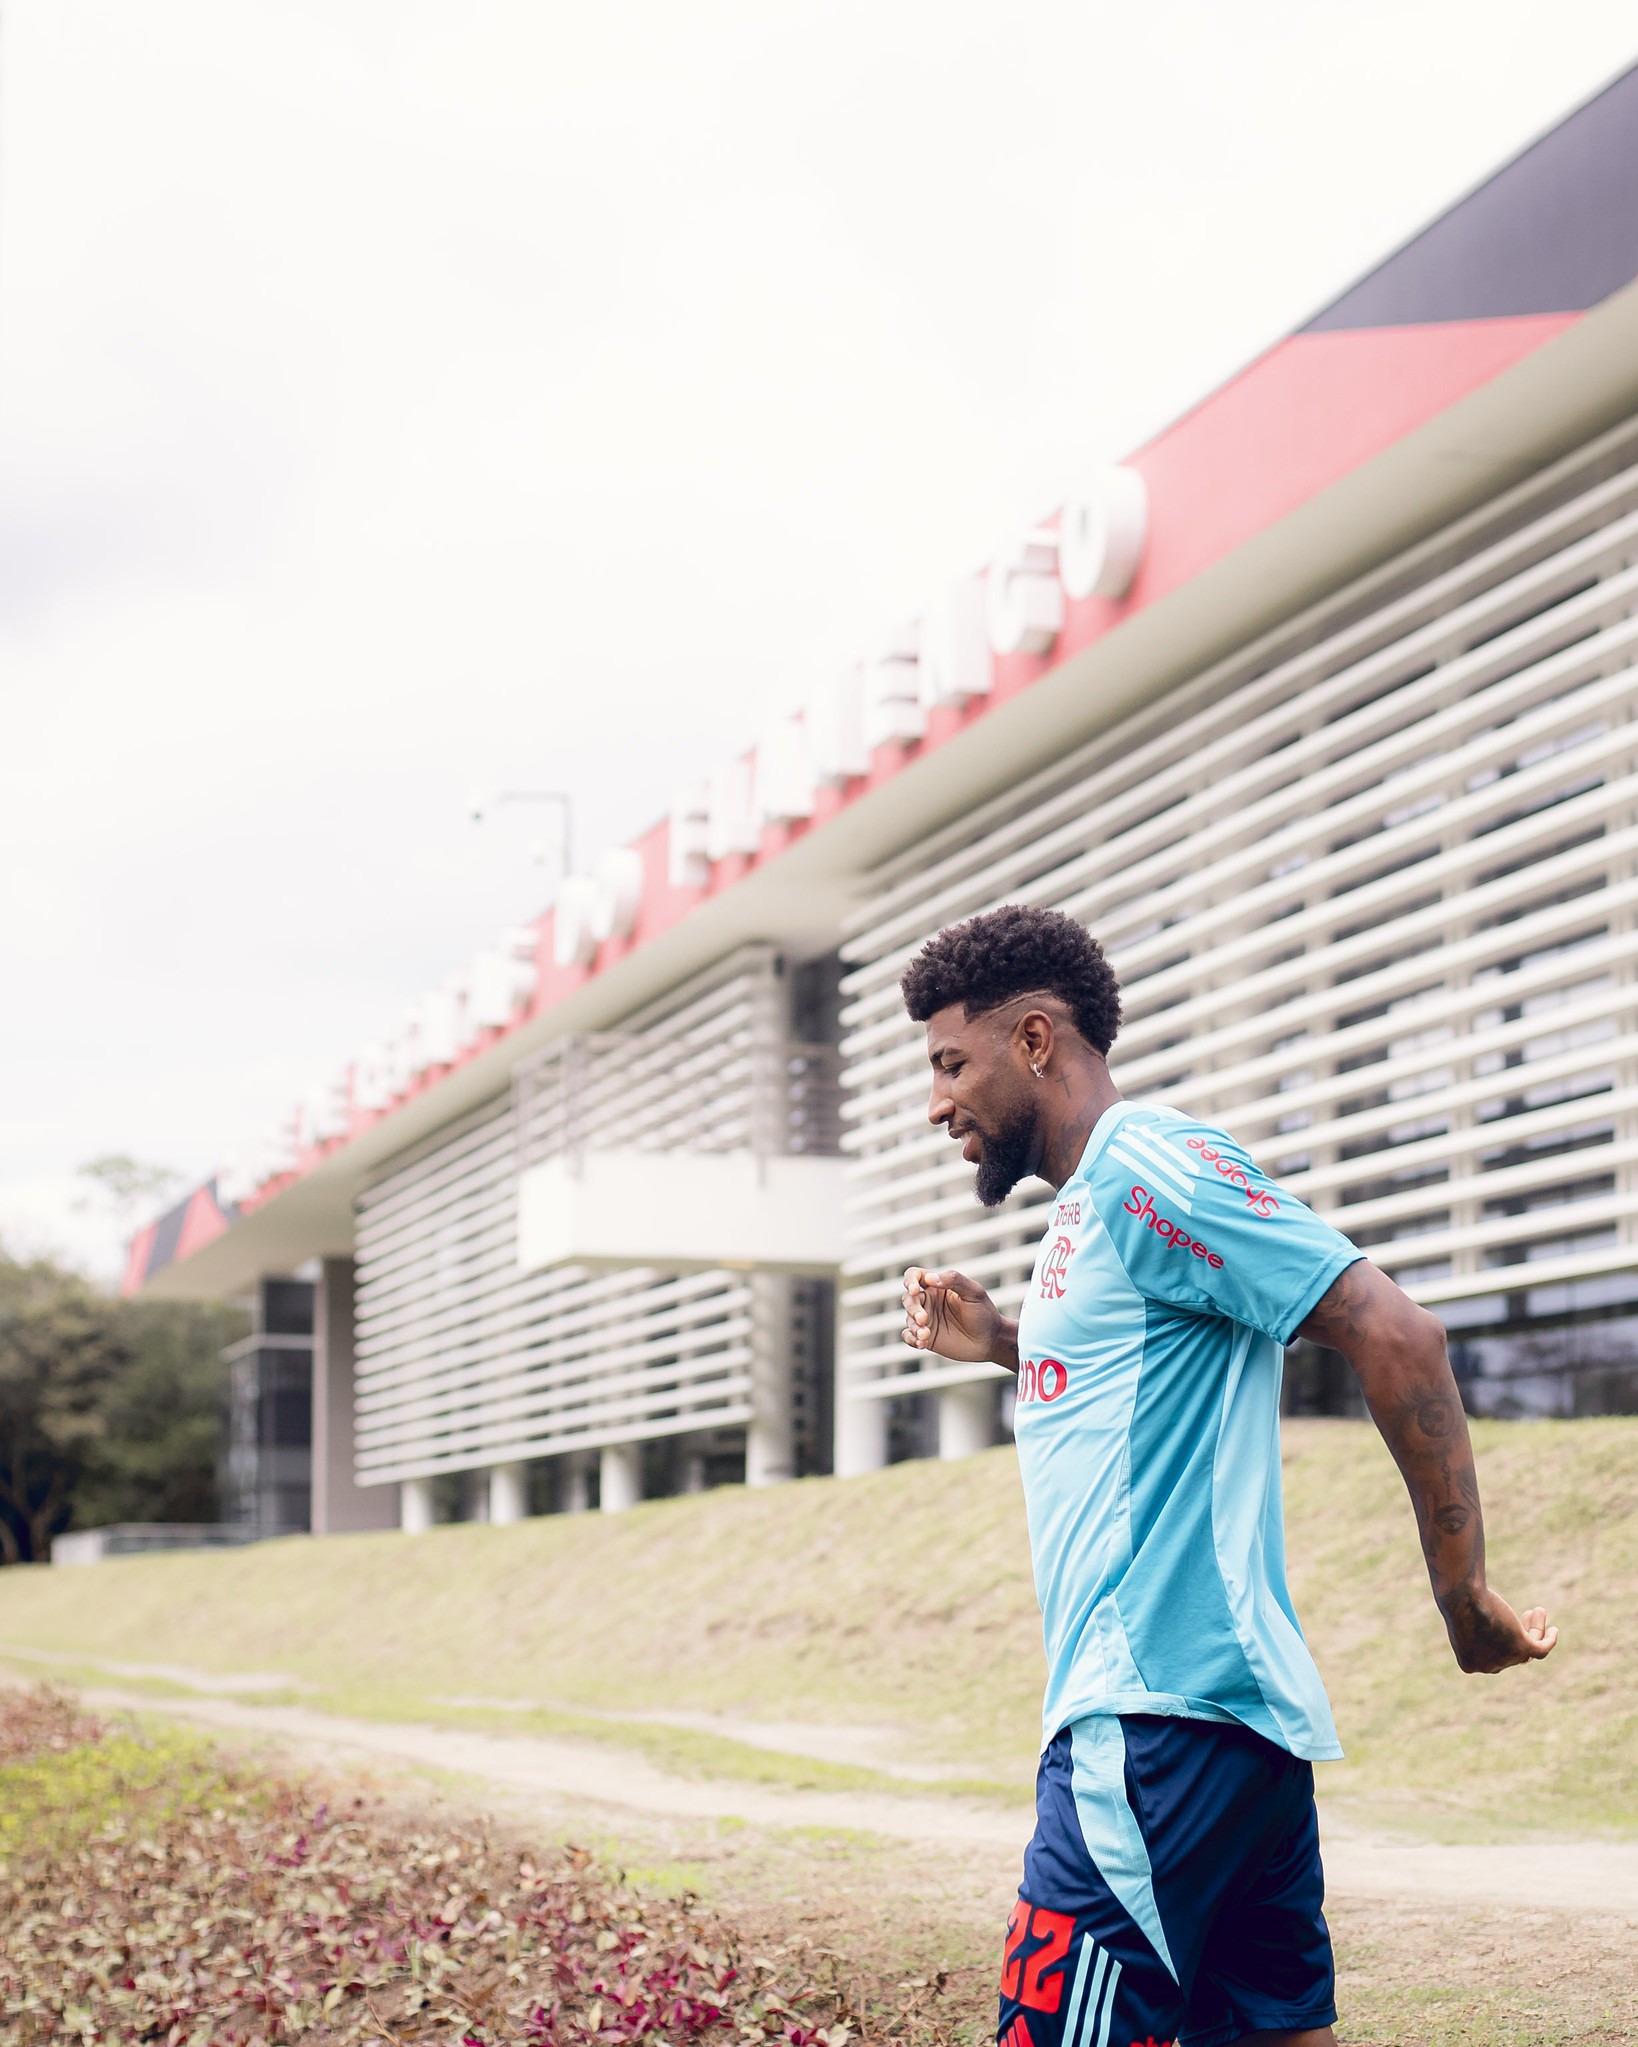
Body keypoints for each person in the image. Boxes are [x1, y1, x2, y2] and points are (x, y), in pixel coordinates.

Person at [898, 903, 1556, 2047]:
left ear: (1038, 1040)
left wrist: (1464, 1598)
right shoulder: (1093, 1210)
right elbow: (1147, 1362)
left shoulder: (1148, 1168)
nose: (937, 1100)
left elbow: (1397, 1333)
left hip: (1151, 1728)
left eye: (954, 1062)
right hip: (1234, 1737)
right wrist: (1010, 1342)